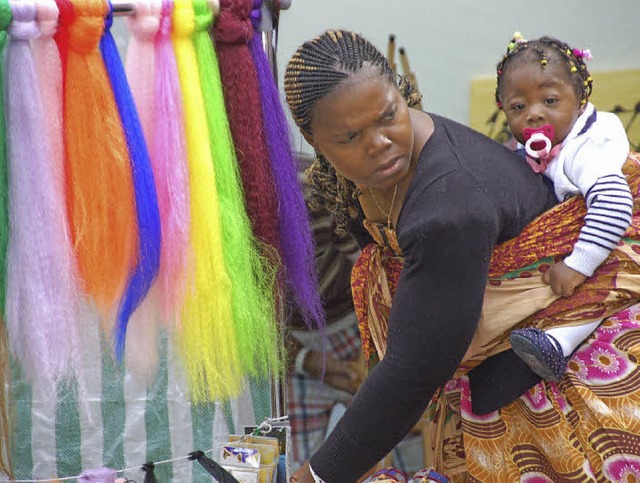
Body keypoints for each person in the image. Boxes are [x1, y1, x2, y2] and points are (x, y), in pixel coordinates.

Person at [284, 30, 640, 483]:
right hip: (493, 384)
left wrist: (316, 475)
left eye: (388, 116)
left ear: (398, 91)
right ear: (312, 138)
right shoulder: (360, 175)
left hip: (568, 391)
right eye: (350, 136)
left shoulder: (448, 207)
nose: (378, 143)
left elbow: (416, 371)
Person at [495, 33, 632, 381]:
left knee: (606, 273)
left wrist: (576, 266)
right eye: (517, 107)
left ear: (581, 98)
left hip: (625, 229)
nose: (534, 113)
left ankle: (558, 344)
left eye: (550, 99)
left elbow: (614, 206)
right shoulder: (548, 142)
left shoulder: (585, 150)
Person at [286, 153, 366, 470]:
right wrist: (306, 360)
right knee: (294, 466)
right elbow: (241, 325)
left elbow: (367, 264)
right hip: (286, 346)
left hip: (356, 326)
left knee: (408, 452)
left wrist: (373, 345)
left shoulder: (312, 185)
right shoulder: (211, 204)